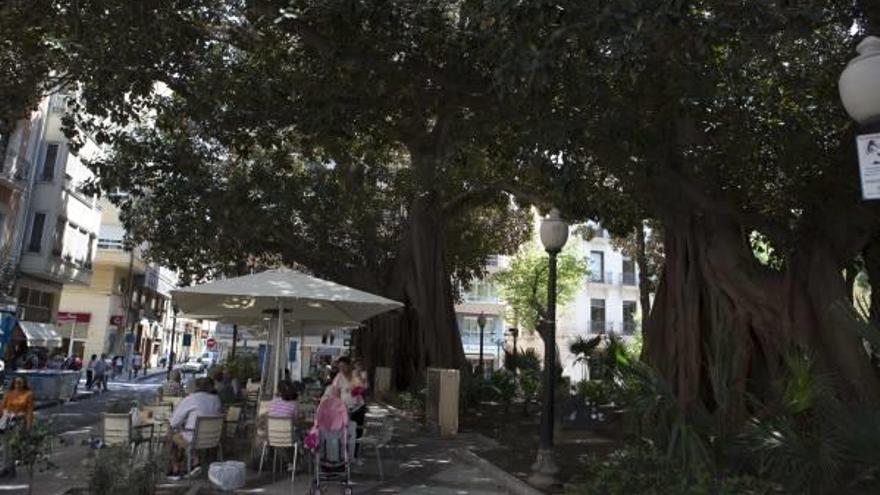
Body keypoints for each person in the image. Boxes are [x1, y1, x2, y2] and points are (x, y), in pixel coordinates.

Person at [166, 377, 223, 480]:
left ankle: (176, 469)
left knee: (171, 434)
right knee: (186, 434)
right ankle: (195, 461)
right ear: (210, 387)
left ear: (196, 387)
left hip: (194, 438)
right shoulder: (217, 399)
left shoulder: (191, 399)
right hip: (214, 439)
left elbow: (174, 422)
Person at [325, 357, 366, 460]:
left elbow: (360, 390)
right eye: (340, 367)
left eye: (343, 366)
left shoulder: (355, 374)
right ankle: (345, 455)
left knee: (357, 431)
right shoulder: (339, 377)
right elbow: (336, 392)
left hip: (358, 407)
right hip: (345, 409)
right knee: (345, 431)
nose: (342, 369)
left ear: (349, 365)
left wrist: (352, 389)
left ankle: (354, 456)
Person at [0, 376, 35, 478]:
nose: (18, 385)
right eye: (16, 382)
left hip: (18, 422)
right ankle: (4, 468)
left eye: (20, 382)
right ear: (13, 383)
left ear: (24, 383)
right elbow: (2, 407)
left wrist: (28, 425)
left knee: (14, 446)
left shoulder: (28, 394)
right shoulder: (9, 393)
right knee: (5, 445)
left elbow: (29, 411)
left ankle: (12, 468)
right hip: (6, 422)